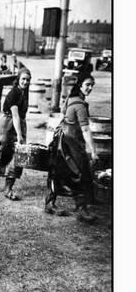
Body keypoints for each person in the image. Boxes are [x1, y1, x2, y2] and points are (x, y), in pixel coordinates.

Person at [45, 75, 98, 223]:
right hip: (72, 142)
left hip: (62, 141)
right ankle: (82, 210)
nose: (90, 88)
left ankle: (50, 203)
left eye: (92, 85)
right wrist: (93, 151)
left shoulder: (70, 98)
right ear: (80, 85)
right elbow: (86, 130)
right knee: (80, 172)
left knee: (57, 171)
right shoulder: (80, 105)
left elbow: (62, 114)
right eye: (87, 85)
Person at [0, 68, 31, 200]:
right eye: (23, 79)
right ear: (18, 80)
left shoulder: (24, 92)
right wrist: (20, 136)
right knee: (0, 151)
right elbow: (15, 116)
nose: (25, 82)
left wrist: (21, 133)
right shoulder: (14, 94)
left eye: (27, 80)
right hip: (8, 125)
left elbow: (20, 117)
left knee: (17, 157)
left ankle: (8, 189)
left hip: (20, 124)